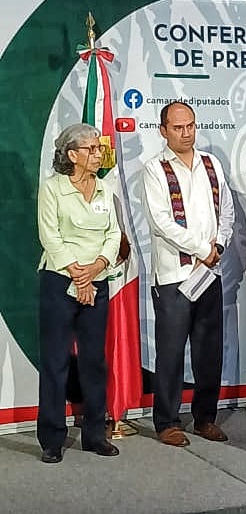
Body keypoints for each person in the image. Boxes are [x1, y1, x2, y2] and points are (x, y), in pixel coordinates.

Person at [142, 101, 234, 446]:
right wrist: (201, 249)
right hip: (174, 276)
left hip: (210, 271)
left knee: (209, 350)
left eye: (191, 126)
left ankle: (204, 418)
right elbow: (161, 221)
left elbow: (226, 211)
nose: (186, 133)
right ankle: (167, 421)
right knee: (171, 350)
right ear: (163, 131)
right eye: (178, 127)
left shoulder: (211, 164)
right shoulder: (155, 169)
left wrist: (218, 247)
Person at [36, 123, 121, 463]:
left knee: (94, 361)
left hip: (96, 281)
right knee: (56, 362)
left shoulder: (103, 188)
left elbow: (113, 235)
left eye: (99, 148)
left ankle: (95, 434)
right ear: (72, 155)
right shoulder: (53, 189)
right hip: (60, 281)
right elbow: (50, 235)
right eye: (92, 149)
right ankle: (52, 439)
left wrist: (96, 268)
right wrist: (78, 276)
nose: (99, 153)